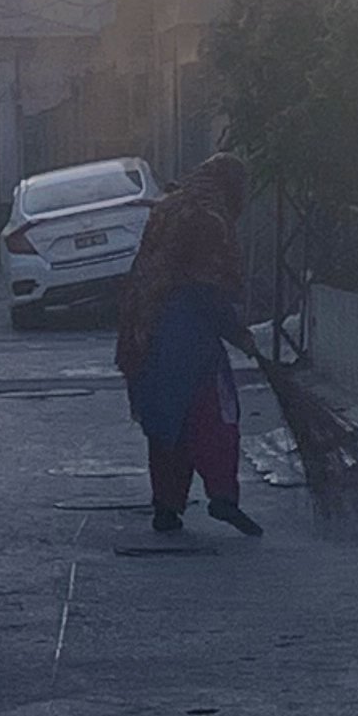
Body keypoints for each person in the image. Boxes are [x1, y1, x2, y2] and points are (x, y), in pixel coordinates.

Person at [112, 152, 264, 536]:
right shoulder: (208, 220)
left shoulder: (171, 207)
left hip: (145, 328)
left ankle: (166, 508)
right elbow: (205, 289)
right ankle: (223, 498)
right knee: (214, 419)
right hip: (186, 333)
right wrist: (239, 334)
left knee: (166, 423)